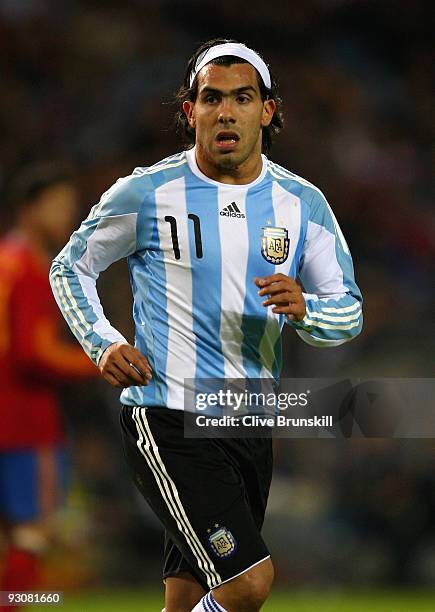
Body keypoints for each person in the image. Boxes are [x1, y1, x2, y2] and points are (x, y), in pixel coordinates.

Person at [49, 39, 363, 612]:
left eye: (242, 98)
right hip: (167, 416)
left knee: (188, 598)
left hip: (249, 422)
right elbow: (71, 267)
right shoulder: (148, 192)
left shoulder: (302, 203)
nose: (225, 112)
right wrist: (103, 342)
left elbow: (349, 310)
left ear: (267, 111)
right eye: (210, 98)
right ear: (189, 110)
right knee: (247, 584)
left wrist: (307, 310)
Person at [0, 163, 97, 610]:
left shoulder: (5, 259)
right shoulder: (31, 269)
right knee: (33, 534)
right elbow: (32, 353)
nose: (66, 216)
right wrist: (100, 360)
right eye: (57, 205)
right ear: (28, 209)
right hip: (24, 420)